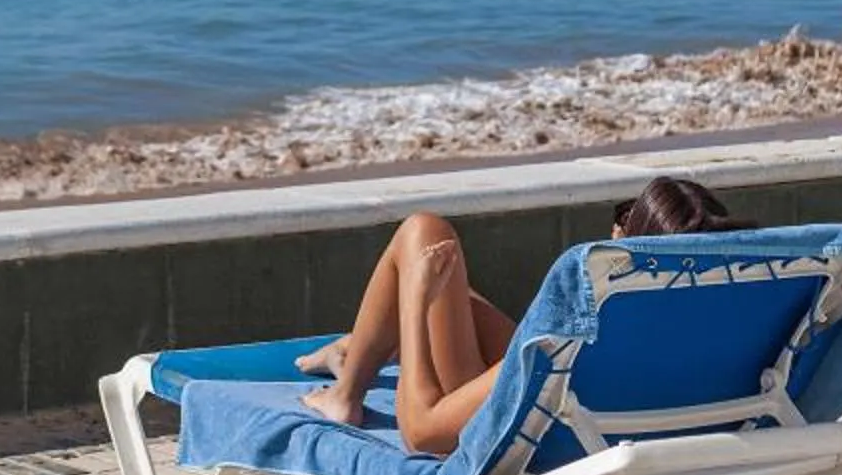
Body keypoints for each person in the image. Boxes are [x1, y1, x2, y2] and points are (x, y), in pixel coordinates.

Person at [294, 175, 737, 453]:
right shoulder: (708, 331)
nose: (615, 225)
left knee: (423, 233)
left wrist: (413, 300)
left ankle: (346, 394)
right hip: (588, 415)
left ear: (630, 242)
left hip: (536, 436)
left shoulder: (578, 333)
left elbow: (423, 434)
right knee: (451, 291)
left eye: (627, 216)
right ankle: (356, 351)